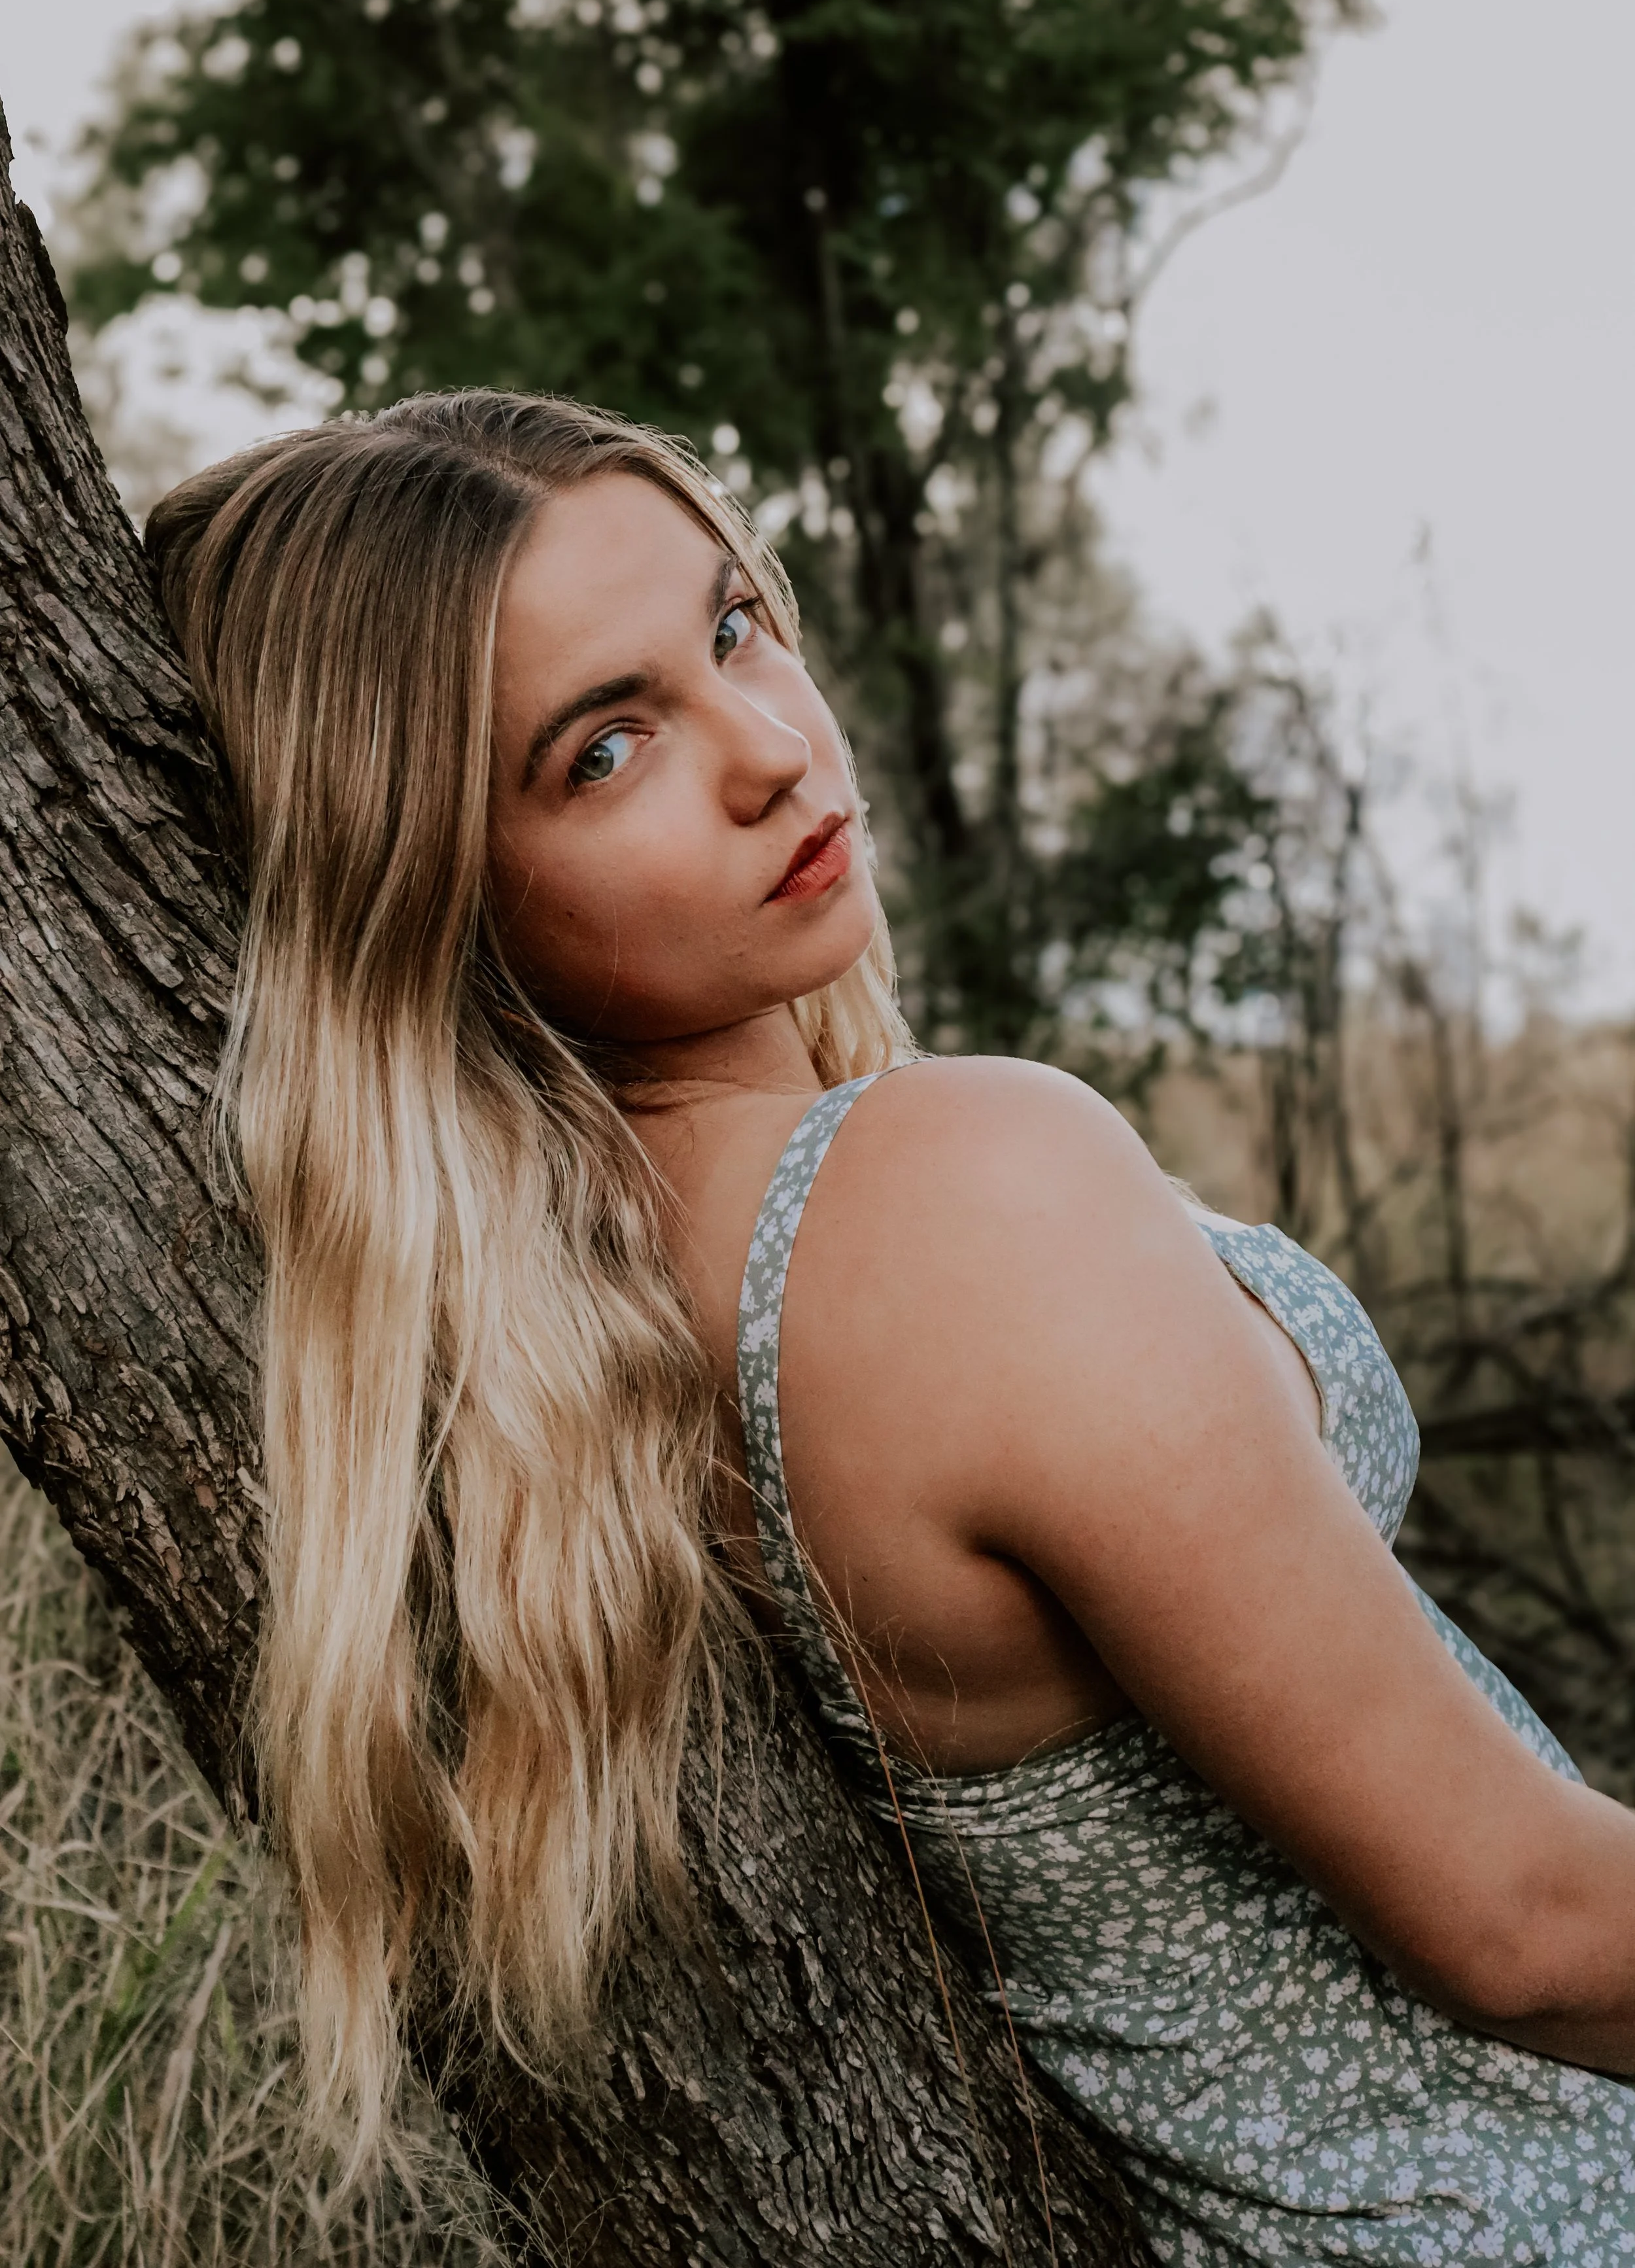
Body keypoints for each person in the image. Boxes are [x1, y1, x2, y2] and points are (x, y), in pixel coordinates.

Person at [146, 391, 1635, 2266]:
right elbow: (1516, 1916)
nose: (770, 748)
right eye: (603, 750)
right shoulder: (949, 1203)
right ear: (424, 883)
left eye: (731, 628)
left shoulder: (579, 1337)